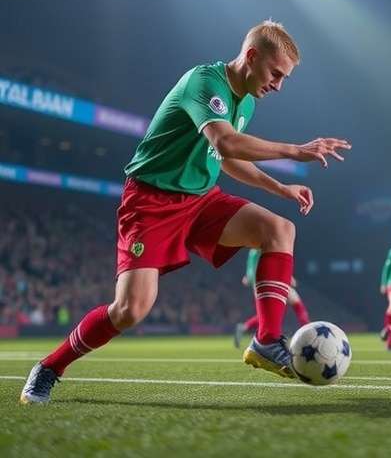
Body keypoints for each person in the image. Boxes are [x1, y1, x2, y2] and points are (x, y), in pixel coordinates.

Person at [21, 20, 351, 404]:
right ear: (251, 56)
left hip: (200, 200)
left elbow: (227, 159)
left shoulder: (245, 101)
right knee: (130, 310)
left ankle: (266, 340)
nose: (278, 85)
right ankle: (49, 367)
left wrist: (280, 188)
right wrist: (295, 151)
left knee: (280, 229)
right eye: (275, 73)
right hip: (150, 203)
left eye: (284, 78)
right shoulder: (204, 81)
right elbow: (225, 143)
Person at [234, 248, 310, 348]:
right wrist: (288, 277)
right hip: (273, 281)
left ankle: (245, 327)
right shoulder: (263, 247)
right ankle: (308, 333)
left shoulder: (254, 250)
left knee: (270, 313)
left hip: (262, 283)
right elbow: (275, 262)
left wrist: (249, 277)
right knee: (295, 306)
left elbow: (251, 269)